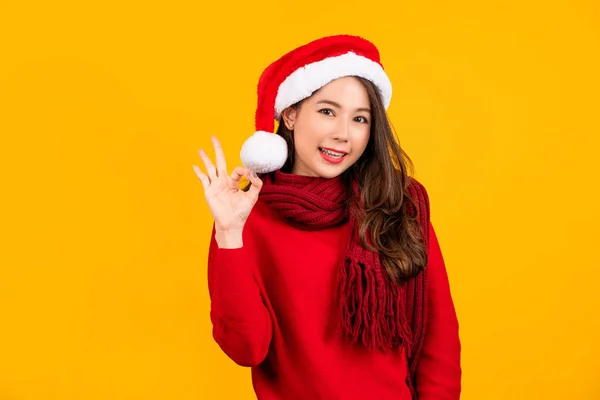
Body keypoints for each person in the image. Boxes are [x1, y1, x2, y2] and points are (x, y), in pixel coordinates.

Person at [192, 34, 461, 400]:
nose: (343, 134)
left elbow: (437, 339)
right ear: (290, 114)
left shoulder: (398, 203)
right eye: (327, 111)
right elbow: (246, 348)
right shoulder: (244, 214)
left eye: (360, 118)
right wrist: (228, 234)